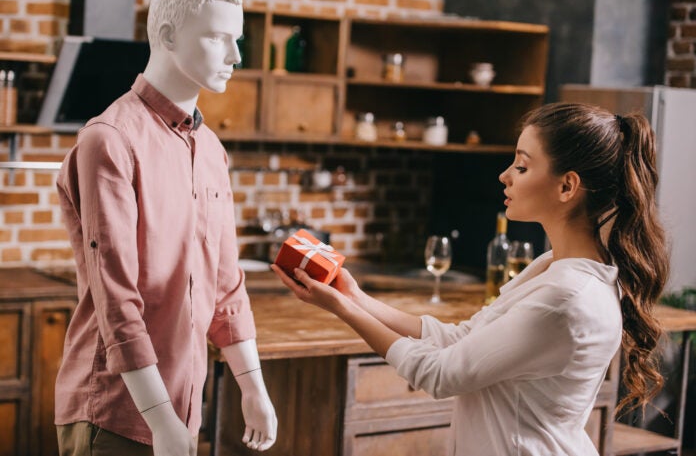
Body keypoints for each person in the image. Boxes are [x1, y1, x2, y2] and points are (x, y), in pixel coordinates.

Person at [272, 102, 669, 455]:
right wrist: (356, 297)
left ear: (567, 186)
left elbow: (442, 374)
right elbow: (462, 338)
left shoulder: (567, 297)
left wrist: (341, 309)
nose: (504, 176)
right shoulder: (553, 266)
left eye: (522, 165)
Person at [54, 0, 277, 455]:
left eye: (237, 40)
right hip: (115, 411)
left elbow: (225, 285)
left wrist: (252, 386)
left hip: (183, 404)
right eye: (218, 38)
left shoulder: (211, 150)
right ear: (168, 35)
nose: (236, 56)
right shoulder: (109, 141)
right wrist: (159, 419)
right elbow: (118, 299)